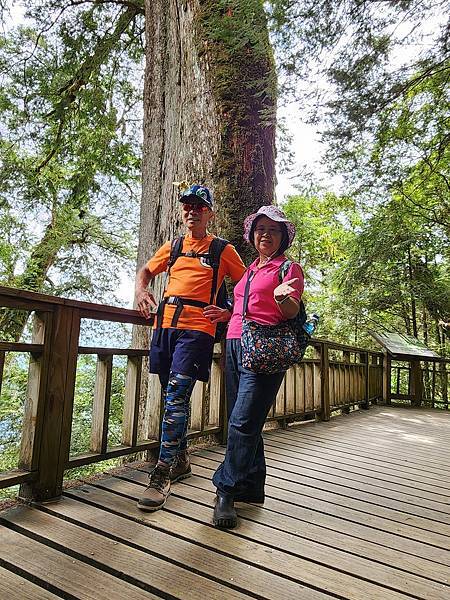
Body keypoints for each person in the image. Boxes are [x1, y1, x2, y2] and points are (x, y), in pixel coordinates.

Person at [135, 185, 246, 512]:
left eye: (199, 206)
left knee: (177, 394)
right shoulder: (173, 247)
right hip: (165, 325)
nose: (192, 211)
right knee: (170, 395)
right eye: (187, 206)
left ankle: (163, 471)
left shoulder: (222, 250)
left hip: (198, 329)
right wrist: (142, 292)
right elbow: (145, 272)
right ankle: (181, 459)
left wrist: (228, 312)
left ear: (210, 212)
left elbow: (246, 287)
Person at [211, 205, 304, 528]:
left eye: (273, 230)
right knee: (245, 419)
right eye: (260, 229)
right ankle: (252, 486)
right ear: (253, 235)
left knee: (242, 421)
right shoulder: (251, 269)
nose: (266, 234)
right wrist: (227, 316)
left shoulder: (288, 269)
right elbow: (243, 305)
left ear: (282, 238)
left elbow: (291, 311)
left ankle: (226, 489)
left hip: (266, 348)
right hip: (236, 344)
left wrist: (282, 299)